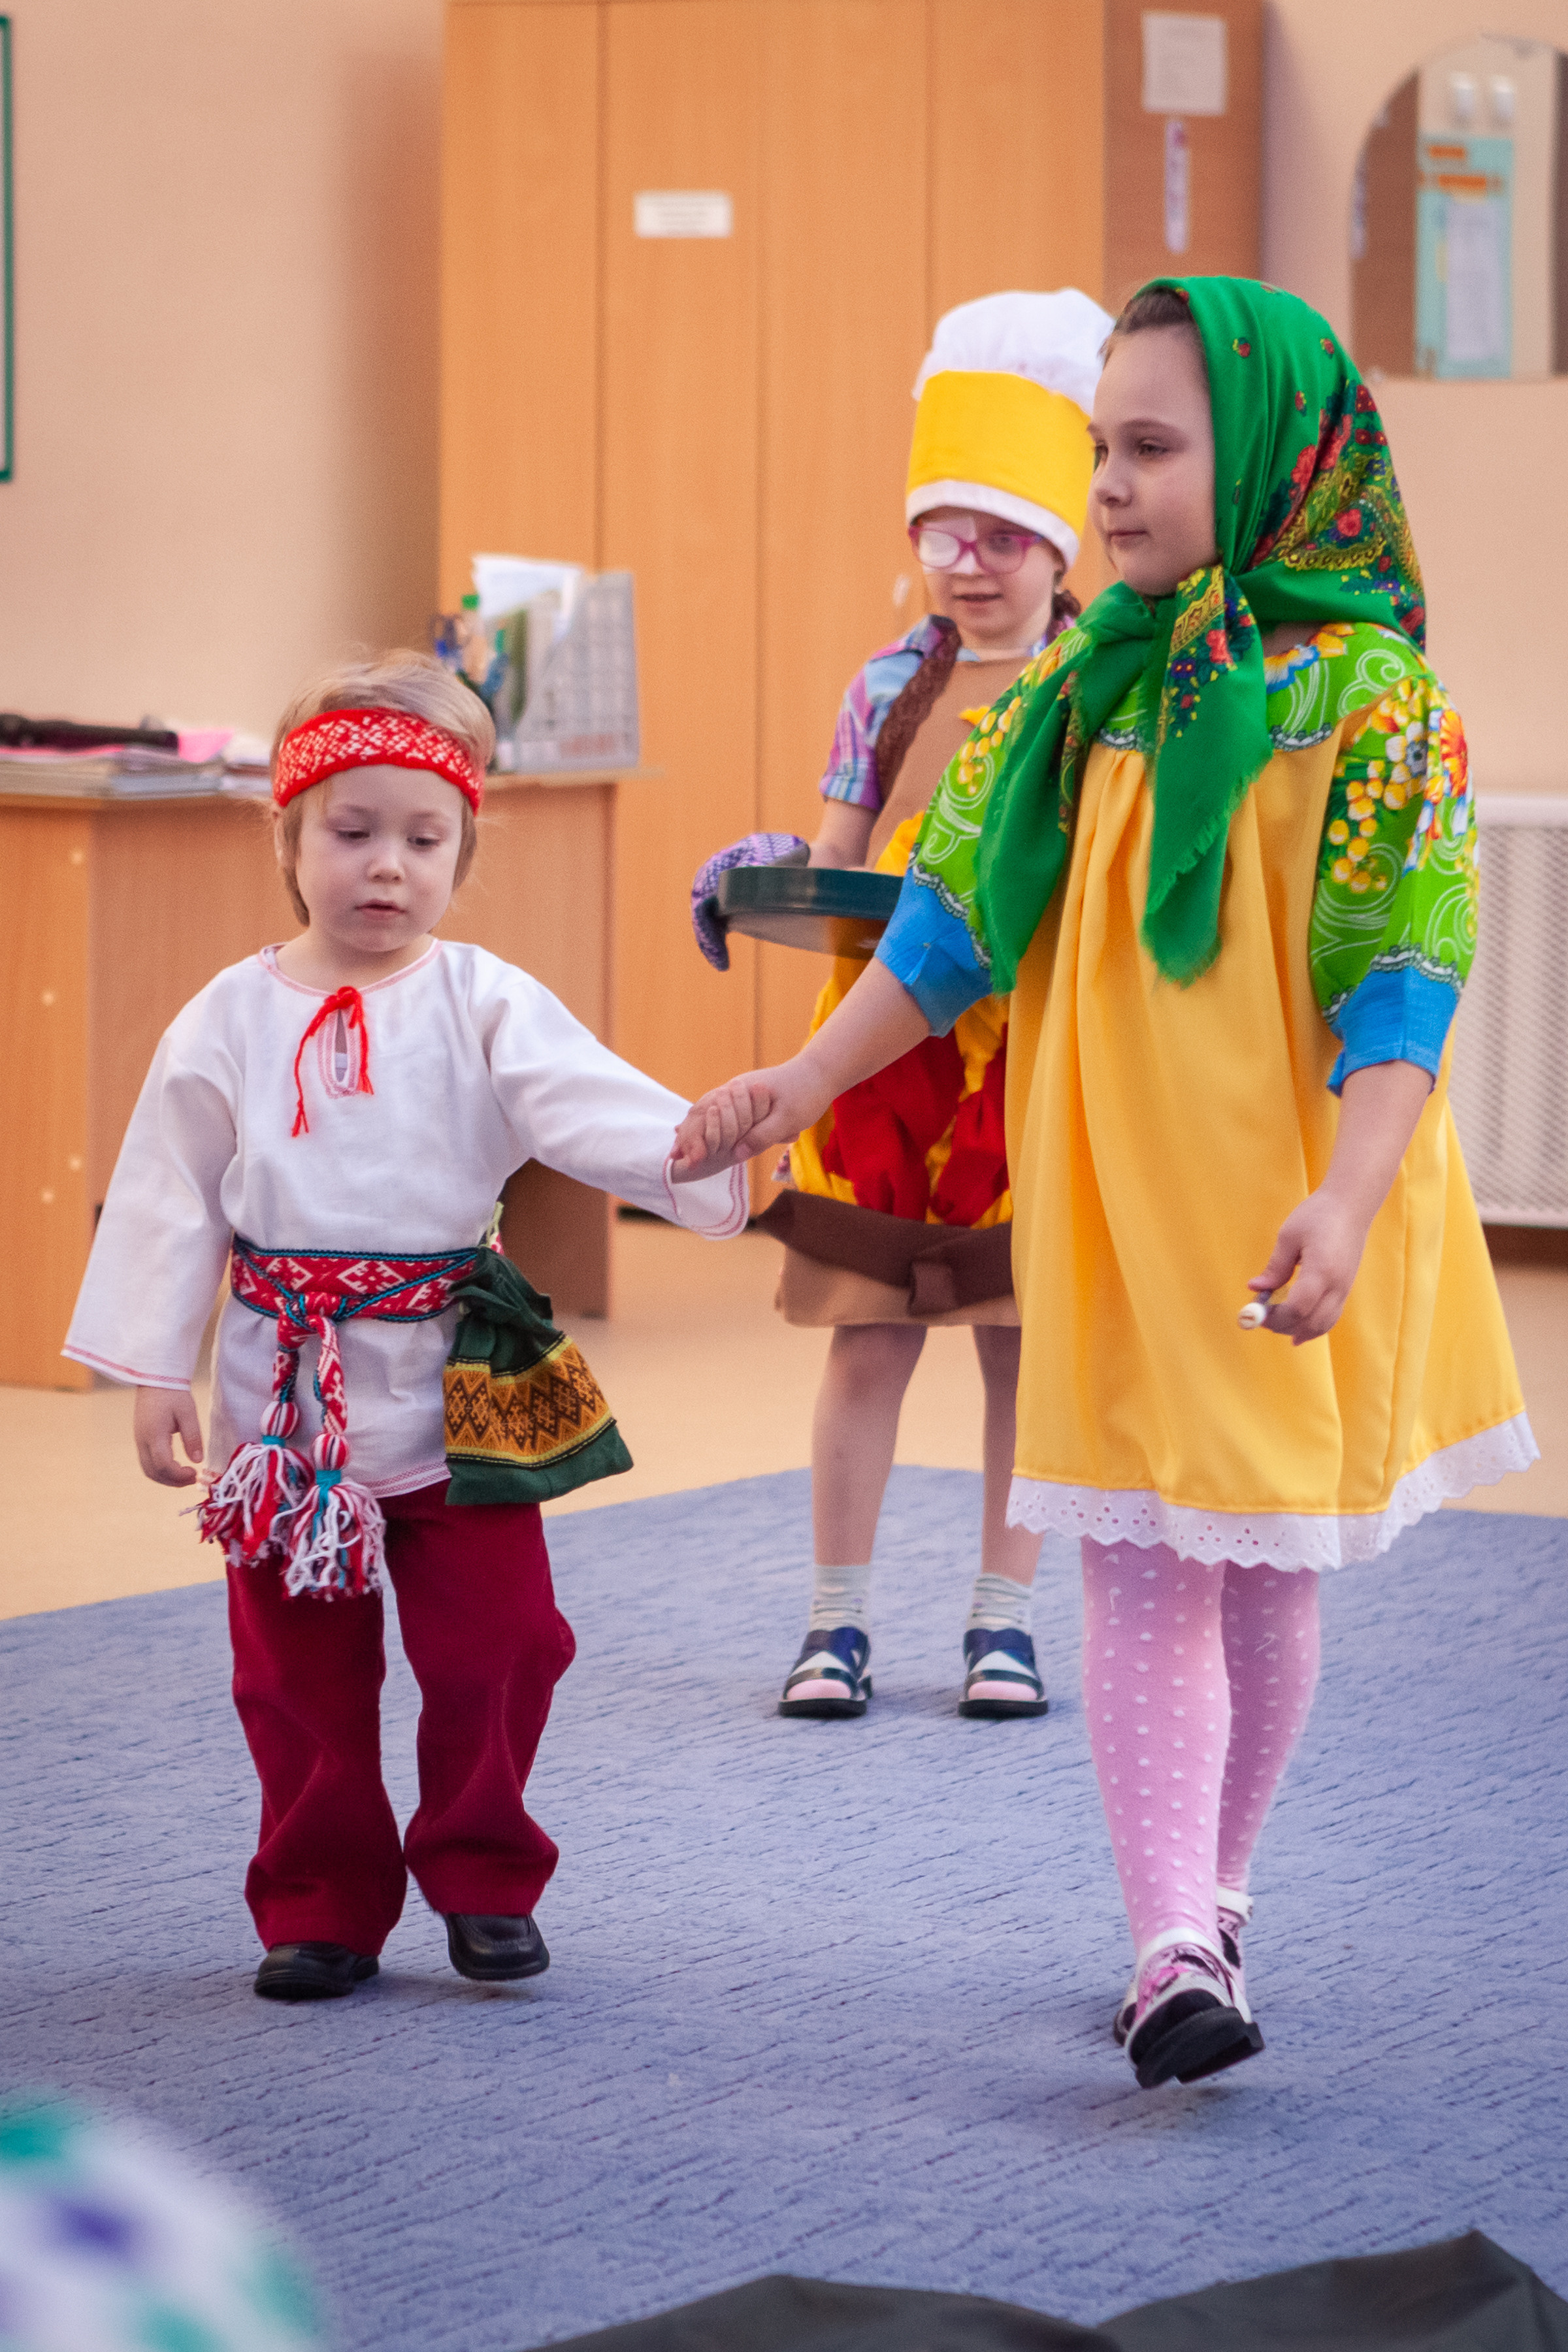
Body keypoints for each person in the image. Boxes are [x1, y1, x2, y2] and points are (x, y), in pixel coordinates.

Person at [669, 278, 1535, 2089]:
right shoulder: (1079, 686)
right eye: (1102, 448)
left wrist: (1355, 1199)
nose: (1111, 491)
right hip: (1114, 1202)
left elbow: (1403, 975)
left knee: (1268, 1566)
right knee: (1141, 1556)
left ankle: (1218, 1893)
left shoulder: (1380, 703)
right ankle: (1164, 1947)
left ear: (1278, 460)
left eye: (1149, 449)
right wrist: (799, 1083)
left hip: (1304, 1195)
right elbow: (953, 923)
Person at [64, 653, 746, 2003]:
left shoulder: (481, 999)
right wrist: (155, 1368)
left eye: (423, 841)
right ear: (290, 838)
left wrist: (699, 1146)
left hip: (461, 1384)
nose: (388, 868)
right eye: (353, 833)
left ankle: (485, 1875)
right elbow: (166, 1195)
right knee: (297, 1676)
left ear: (462, 848)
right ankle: (319, 1900)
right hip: (286, 1411)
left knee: (504, 1644)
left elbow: (585, 1107)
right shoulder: (227, 1017)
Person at [690, 289, 1113, 1724]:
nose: (969, 563)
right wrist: (764, 877)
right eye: (944, 534)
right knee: (868, 1338)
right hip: (880, 1072)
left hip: (1028, 1069)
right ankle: (836, 1624)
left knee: (1018, 1348)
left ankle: (1006, 1624)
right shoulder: (888, 685)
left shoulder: (1094, 684)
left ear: (1061, 544)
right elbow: (840, 869)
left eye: (1000, 535)